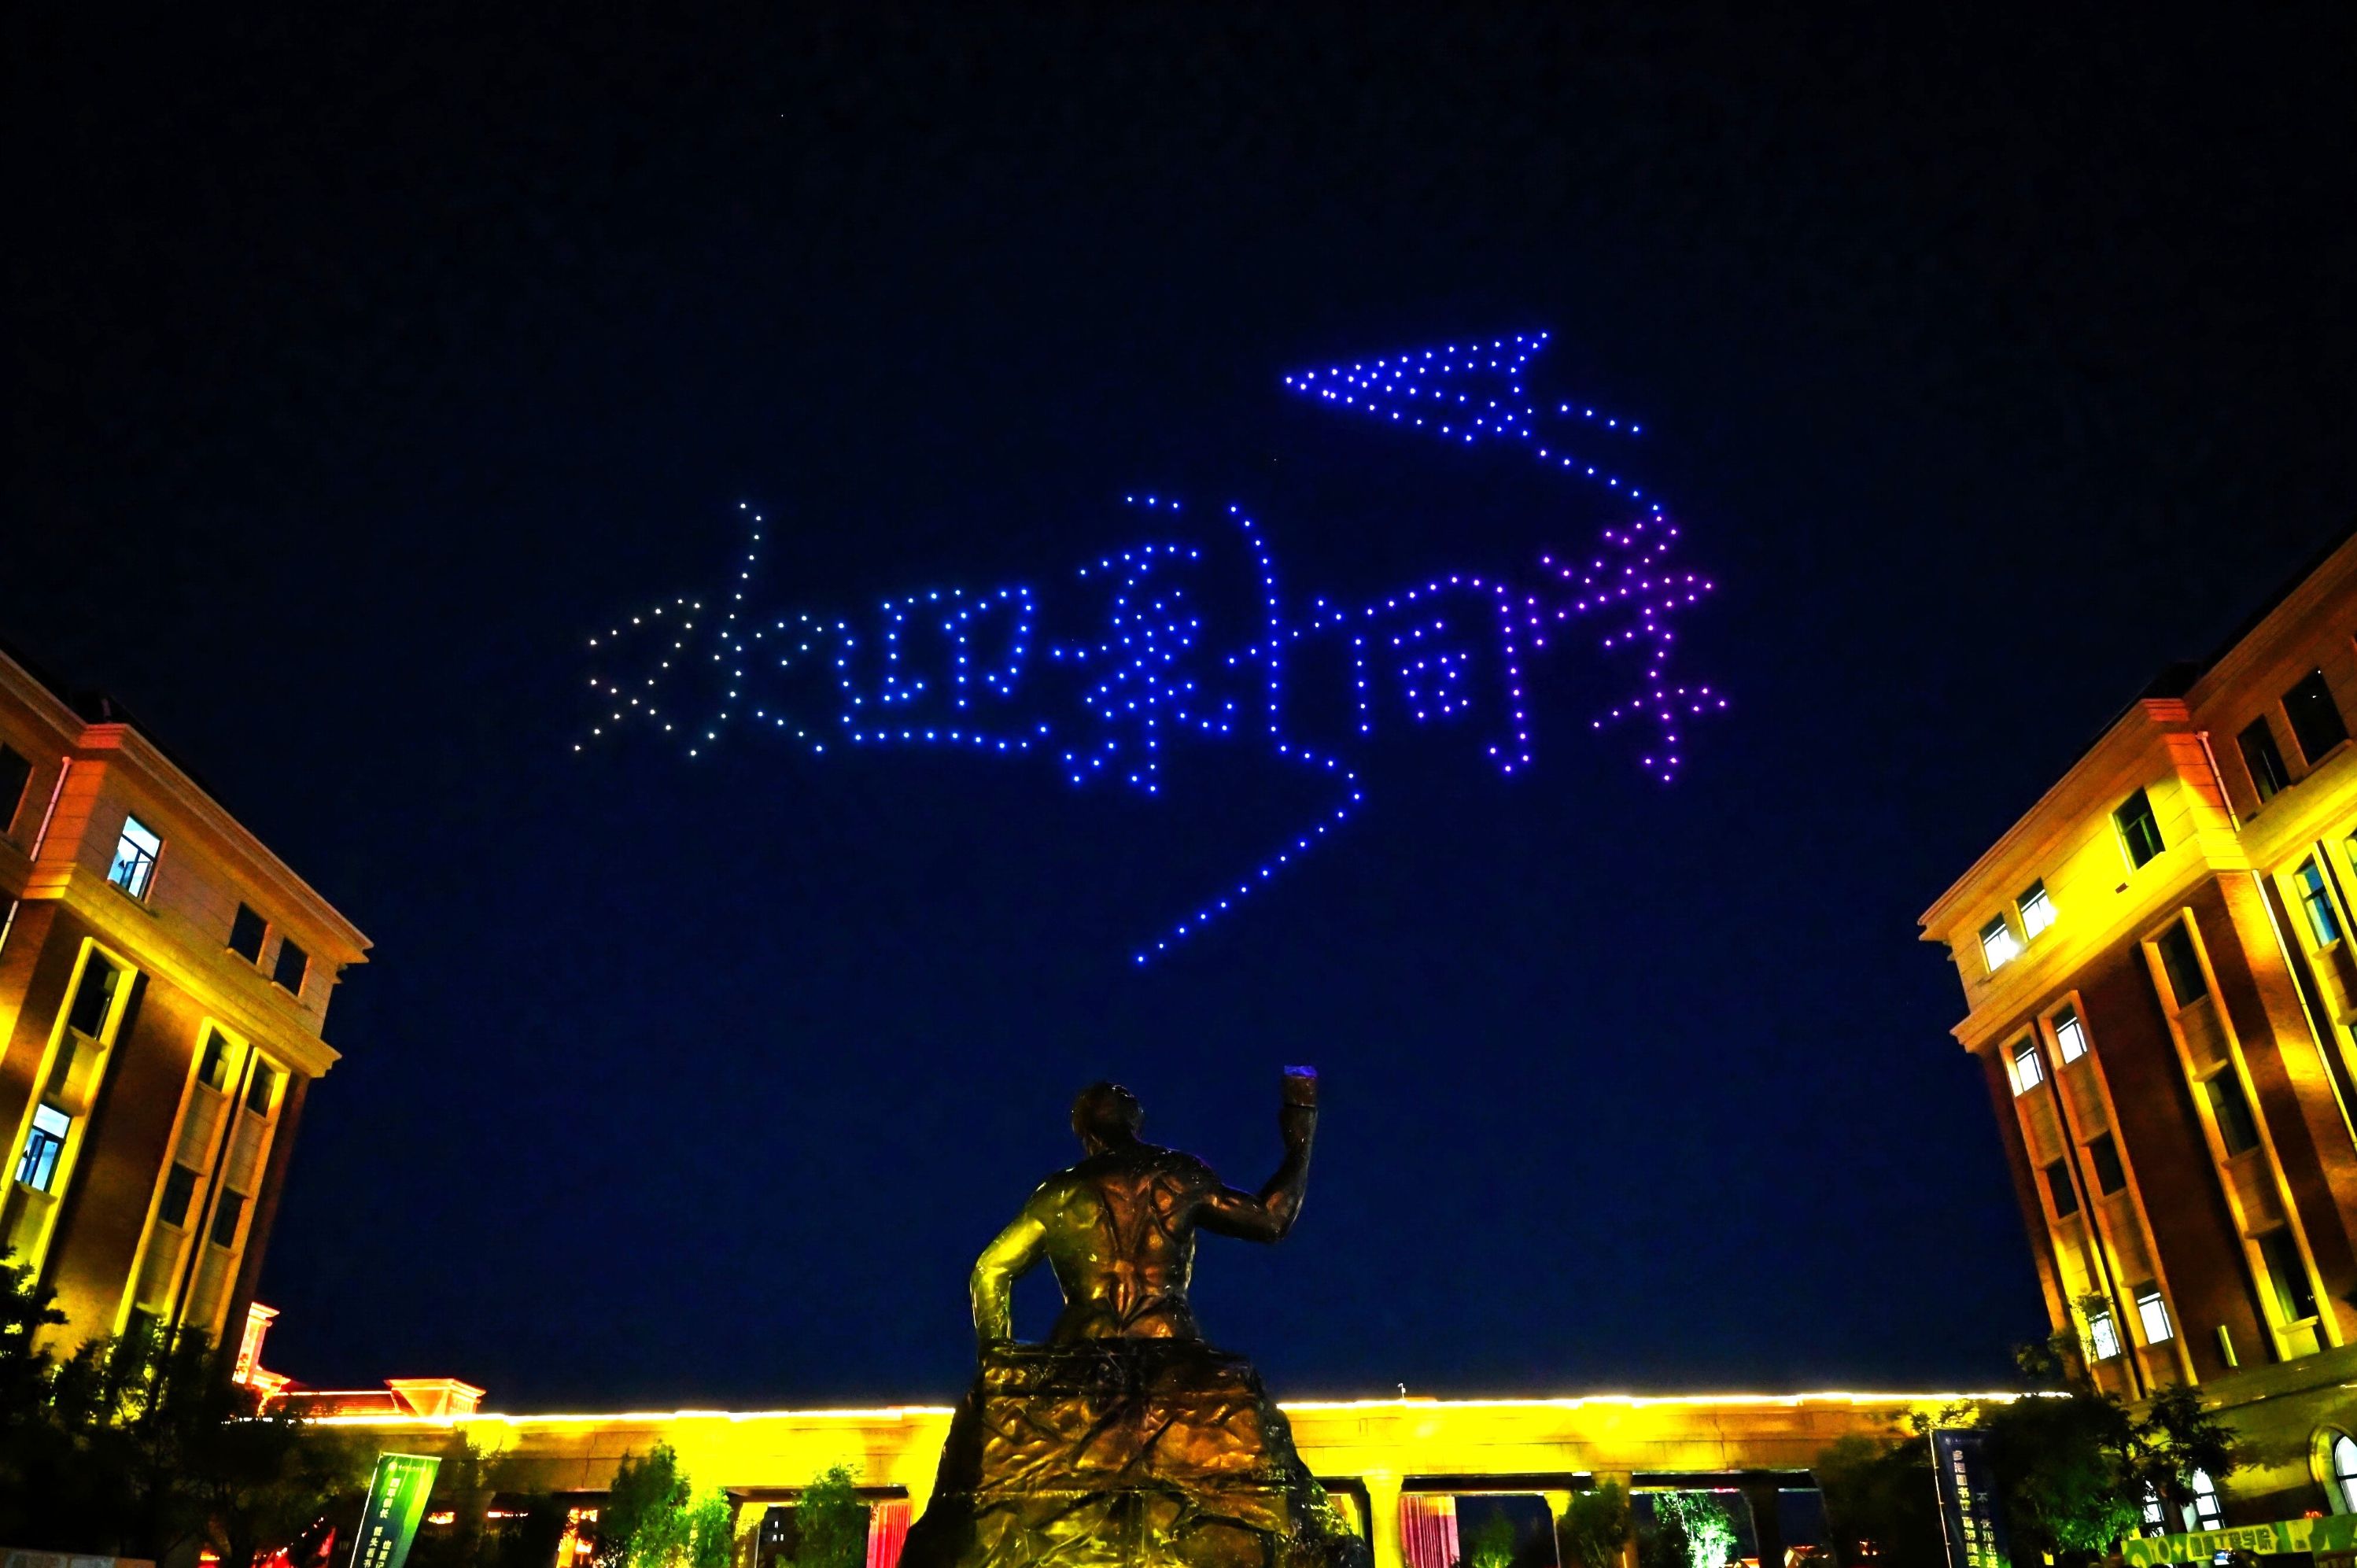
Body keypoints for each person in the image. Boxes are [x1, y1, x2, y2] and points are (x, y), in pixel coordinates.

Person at [968, 1070, 1319, 1350]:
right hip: (1166, 1337)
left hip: (1085, 1343)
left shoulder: (1058, 1193)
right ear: (1136, 1122)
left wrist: (996, 1351)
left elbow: (990, 1270)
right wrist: (1300, 1140)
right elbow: (1271, 1220)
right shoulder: (1182, 1176)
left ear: (1084, 1133)